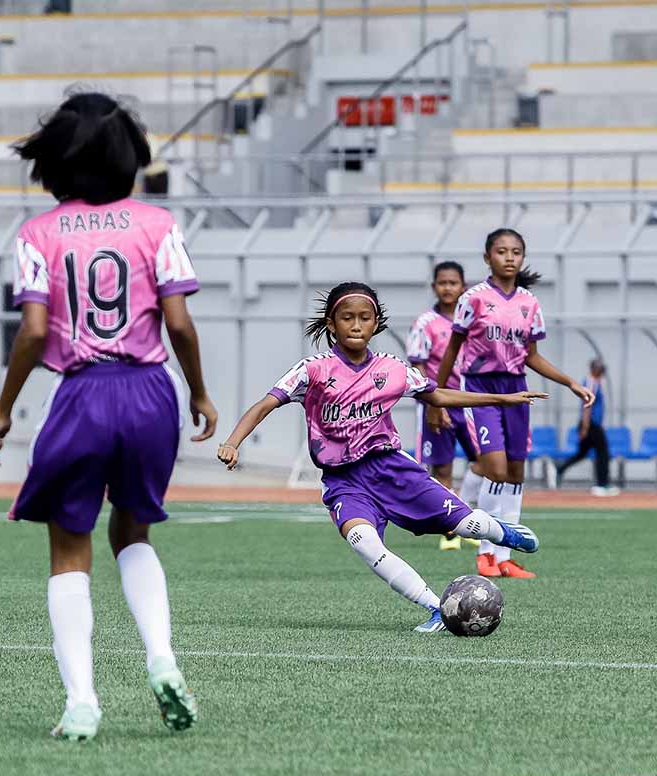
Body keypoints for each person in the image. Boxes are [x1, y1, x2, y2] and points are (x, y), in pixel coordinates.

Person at [0, 92, 218, 742]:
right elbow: (179, 323)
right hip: (150, 391)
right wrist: (198, 392)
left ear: (53, 160)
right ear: (129, 156)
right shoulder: (158, 224)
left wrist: (1, 409)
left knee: (68, 549)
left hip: (82, 393)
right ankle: (163, 658)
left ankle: (82, 702)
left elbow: (31, 333)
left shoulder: (38, 234)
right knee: (134, 533)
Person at [216, 281, 545, 634]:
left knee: (464, 525)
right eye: (346, 318)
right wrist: (233, 442)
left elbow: (439, 396)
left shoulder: (393, 369)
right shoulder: (312, 370)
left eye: (364, 318)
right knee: (365, 543)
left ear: (376, 324)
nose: (355, 325)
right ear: (331, 324)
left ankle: (499, 531)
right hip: (343, 481)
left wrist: (503, 399)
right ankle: (436, 608)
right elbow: (265, 403)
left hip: (392, 470)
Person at [435, 228, 594, 580]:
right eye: (502, 251)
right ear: (487, 257)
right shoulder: (473, 299)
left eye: (516, 252)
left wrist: (569, 382)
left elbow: (531, 357)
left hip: (517, 390)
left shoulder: (529, 303)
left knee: (517, 473)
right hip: (481, 389)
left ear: (523, 257)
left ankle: (505, 556)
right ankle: (485, 553)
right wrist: (437, 398)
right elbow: (452, 350)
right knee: (496, 468)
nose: (509, 257)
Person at [406, 261, 483, 551]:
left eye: (453, 283)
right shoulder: (425, 323)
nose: (448, 288)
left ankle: (464, 515)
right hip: (438, 402)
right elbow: (419, 366)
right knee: (443, 468)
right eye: (442, 283)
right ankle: (450, 530)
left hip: (470, 402)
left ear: (463, 286)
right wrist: (432, 403)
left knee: (484, 462)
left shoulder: (472, 322)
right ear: (434, 287)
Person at [552, 359, 619, 497]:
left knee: (581, 453)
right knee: (603, 453)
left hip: (591, 425)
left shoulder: (596, 382)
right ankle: (602, 484)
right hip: (590, 424)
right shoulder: (591, 382)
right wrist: (585, 427)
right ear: (594, 369)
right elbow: (588, 404)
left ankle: (559, 469)